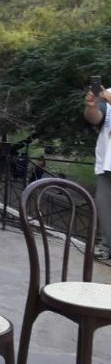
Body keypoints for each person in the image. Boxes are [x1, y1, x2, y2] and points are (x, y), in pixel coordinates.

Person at [83, 86, 111, 259]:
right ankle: (107, 247)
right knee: (105, 207)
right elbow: (94, 119)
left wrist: (107, 97)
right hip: (107, 164)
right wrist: (91, 106)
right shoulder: (108, 92)